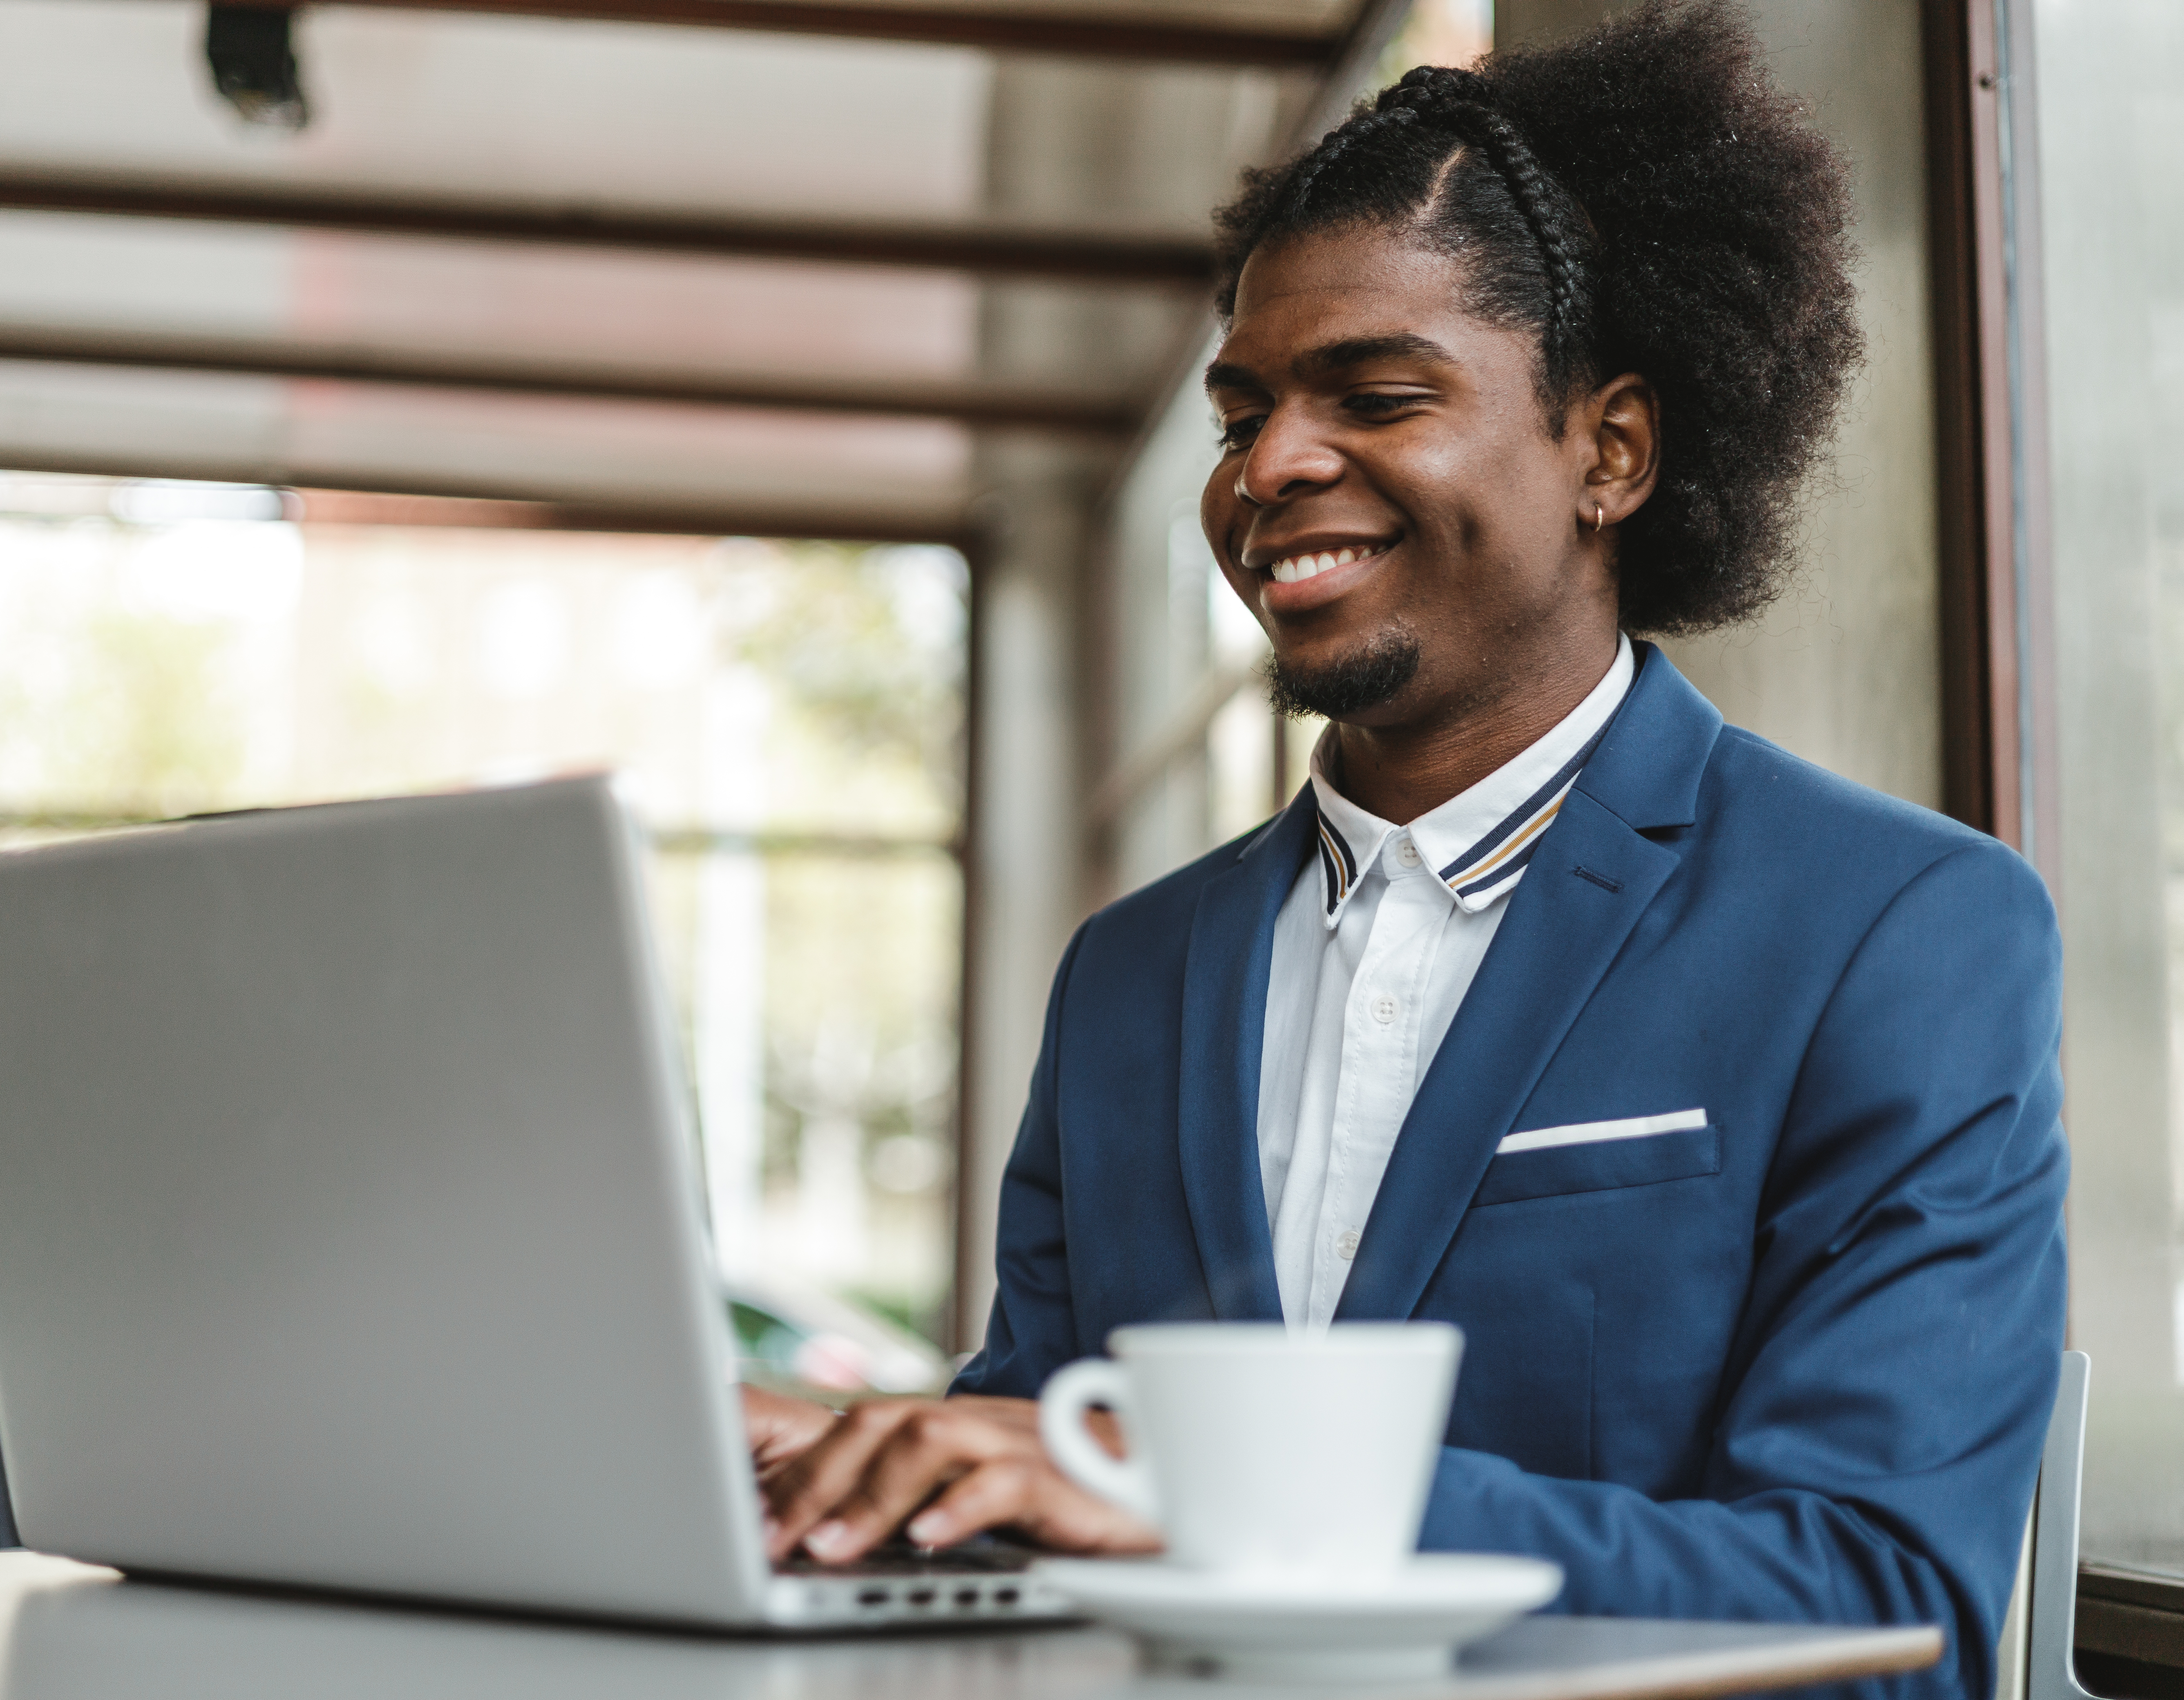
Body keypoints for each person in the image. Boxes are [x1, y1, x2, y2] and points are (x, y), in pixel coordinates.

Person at [744, 4, 2068, 1695]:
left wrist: (1225, 1502)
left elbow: (1882, 1601)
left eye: (1374, 392)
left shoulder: (1898, 928)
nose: (1271, 466)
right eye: (1239, 416)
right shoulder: (1133, 975)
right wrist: (844, 1469)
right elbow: (1045, 1456)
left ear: (1612, 450)